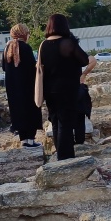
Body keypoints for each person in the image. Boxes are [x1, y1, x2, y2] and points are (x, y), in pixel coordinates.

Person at [40, 14, 90, 160]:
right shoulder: (67, 43)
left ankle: (59, 155)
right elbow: (84, 60)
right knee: (66, 124)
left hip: (49, 89)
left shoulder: (43, 44)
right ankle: (66, 158)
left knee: (55, 122)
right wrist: (74, 41)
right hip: (67, 88)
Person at [2, 24, 43, 150]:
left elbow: (4, 67)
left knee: (18, 110)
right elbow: (31, 67)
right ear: (23, 33)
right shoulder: (25, 47)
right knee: (30, 110)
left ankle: (23, 139)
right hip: (26, 85)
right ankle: (30, 140)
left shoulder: (7, 47)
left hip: (12, 86)